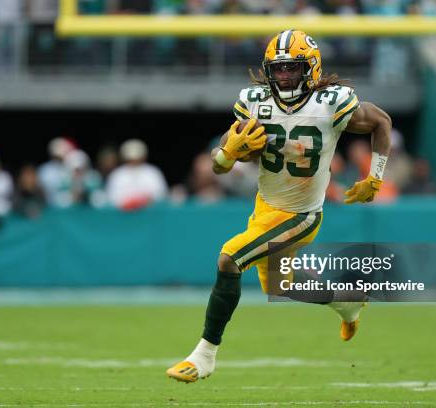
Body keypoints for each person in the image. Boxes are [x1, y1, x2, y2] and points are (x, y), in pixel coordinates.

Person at [166, 30, 392, 383]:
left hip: (301, 215)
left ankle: (204, 355)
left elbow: (380, 121)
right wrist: (226, 154)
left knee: (230, 257)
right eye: (279, 69)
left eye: (292, 68)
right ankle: (346, 303)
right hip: (265, 207)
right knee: (280, 285)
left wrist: (374, 177)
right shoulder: (256, 101)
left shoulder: (331, 102)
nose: (284, 76)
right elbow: (219, 162)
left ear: (311, 69)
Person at [106, 139, 168, 210]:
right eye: (131, 158)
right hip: (124, 216)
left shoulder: (152, 172)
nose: (134, 161)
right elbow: (111, 198)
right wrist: (129, 202)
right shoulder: (117, 174)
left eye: (137, 158)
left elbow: (161, 194)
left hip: (150, 214)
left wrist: (143, 201)